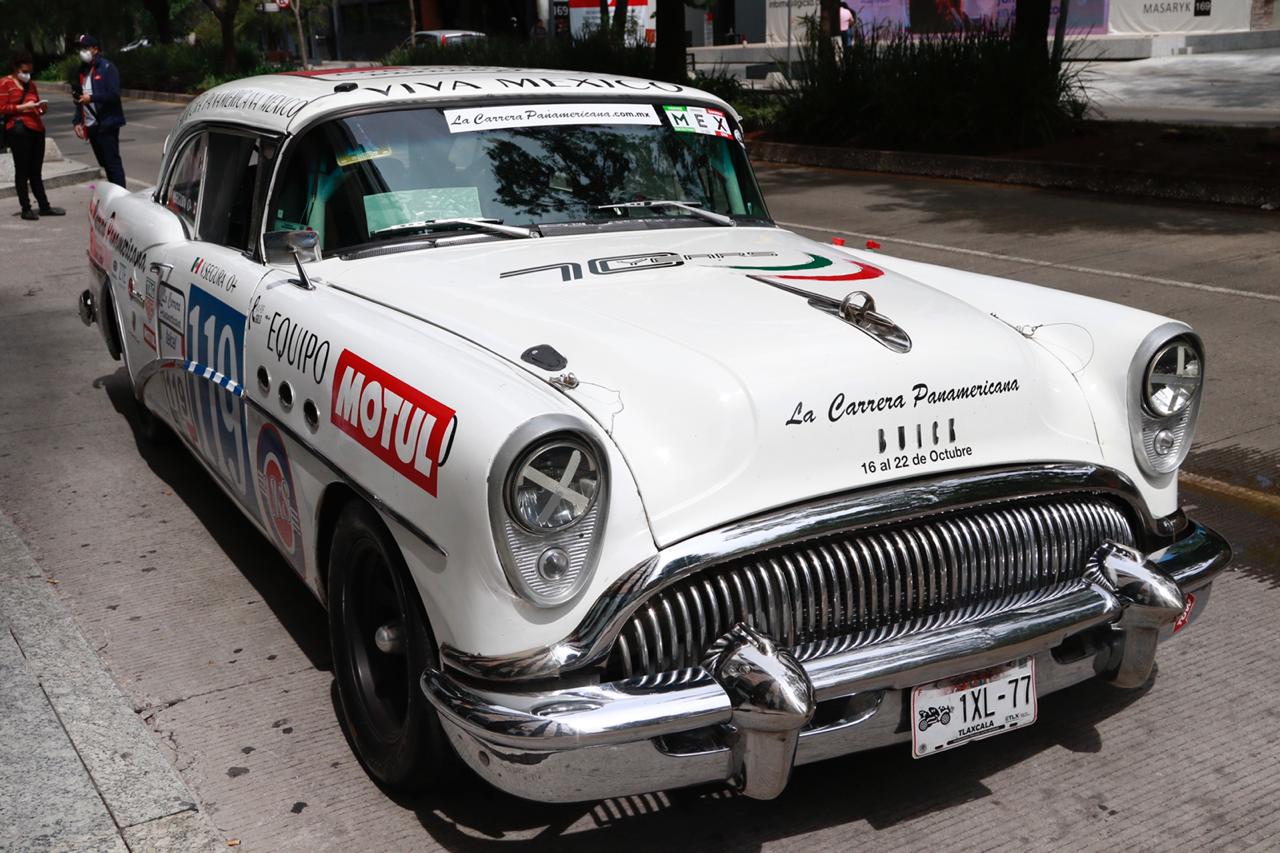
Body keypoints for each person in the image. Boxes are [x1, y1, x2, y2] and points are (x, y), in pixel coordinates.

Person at [1, 51, 64, 220]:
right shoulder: (5, 83)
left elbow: (35, 106)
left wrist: (40, 108)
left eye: (29, 71)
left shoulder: (32, 85)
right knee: (22, 171)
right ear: (15, 68)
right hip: (18, 131)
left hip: (36, 129)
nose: (27, 74)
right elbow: (2, 108)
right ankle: (26, 208)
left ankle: (44, 206)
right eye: (24, 71)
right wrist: (22, 108)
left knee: (36, 171)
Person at [71, 34, 126, 188]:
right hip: (91, 125)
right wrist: (77, 121)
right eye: (80, 49)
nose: (82, 52)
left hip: (107, 123)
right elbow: (79, 99)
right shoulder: (81, 71)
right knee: (105, 163)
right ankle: (114, 194)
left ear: (95, 49)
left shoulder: (107, 68)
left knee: (112, 163)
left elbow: (114, 95)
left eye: (85, 48)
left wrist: (92, 98)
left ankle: (122, 197)